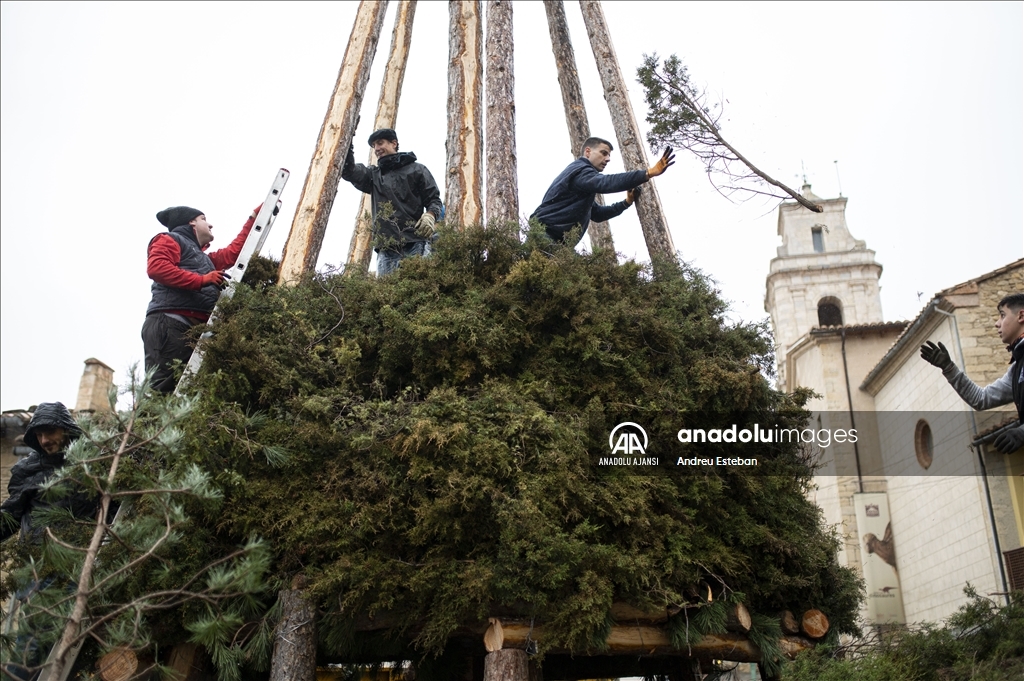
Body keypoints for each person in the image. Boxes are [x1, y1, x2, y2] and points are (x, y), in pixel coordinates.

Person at [142, 204, 260, 393]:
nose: (210, 224)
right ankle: (145, 424)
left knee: (184, 398)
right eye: (204, 219)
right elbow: (157, 268)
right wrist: (202, 280)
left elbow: (233, 254)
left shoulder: (203, 259)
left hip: (191, 330)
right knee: (161, 393)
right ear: (191, 223)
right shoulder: (169, 239)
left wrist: (254, 218)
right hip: (170, 324)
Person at [920, 293, 1024, 454]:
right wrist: (948, 368)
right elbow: (981, 399)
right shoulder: (1017, 368)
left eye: (1002, 316)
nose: (997, 324)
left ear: (1021, 316)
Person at [530, 137, 675, 247]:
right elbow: (605, 183)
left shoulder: (582, 182)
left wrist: (626, 203)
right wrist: (648, 173)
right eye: (603, 153)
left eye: (609, 155)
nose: (608, 159)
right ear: (587, 152)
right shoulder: (580, 171)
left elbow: (596, 214)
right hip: (545, 237)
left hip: (557, 243)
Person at [342, 128, 443, 276]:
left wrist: (430, 215)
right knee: (386, 296)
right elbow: (349, 171)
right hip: (386, 248)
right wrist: (347, 139)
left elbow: (434, 199)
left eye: (380, 143)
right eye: (374, 145)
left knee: (416, 290)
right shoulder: (373, 176)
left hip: (415, 242)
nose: (376, 148)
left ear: (394, 143)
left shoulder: (417, 170)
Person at [0, 402, 96, 543]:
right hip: (37, 558)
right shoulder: (27, 470)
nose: (44, 441)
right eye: (39, 435)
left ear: (67, 430)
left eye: (50, 432)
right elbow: (10, 518)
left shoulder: (92, 464)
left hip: (83, 555)